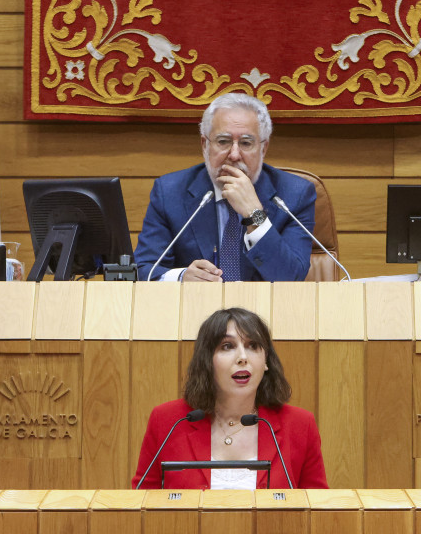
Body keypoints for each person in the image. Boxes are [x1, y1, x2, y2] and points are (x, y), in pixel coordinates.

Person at [132, 307, 327, 490]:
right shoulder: (168, 421)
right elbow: (141, 503)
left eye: (253, 346)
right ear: (207, 360)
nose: (243, 357)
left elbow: (317, 511)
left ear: (266, 361)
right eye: (228, 346)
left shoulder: (300, 425)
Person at [134, 93, 316, 282]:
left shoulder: (295, 195)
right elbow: (143, 269)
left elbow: (291, 278)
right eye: (223, 141)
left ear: (263, 148)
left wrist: (255, 215)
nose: (234, 155)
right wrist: (181, 278)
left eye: (246, 143)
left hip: (265, 309)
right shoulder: (170, 192)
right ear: (205, 145)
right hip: (195, 308)